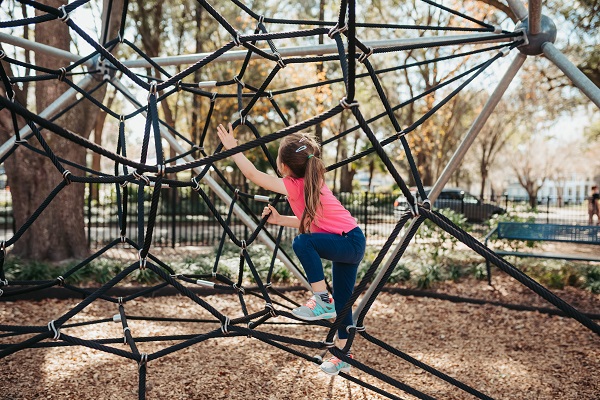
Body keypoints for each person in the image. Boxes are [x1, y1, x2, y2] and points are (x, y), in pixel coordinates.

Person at [216, 123, 366, 376]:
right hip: (349, 240)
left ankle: (321, 300)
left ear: (284, 166)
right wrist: (279, 220)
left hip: (348, 242)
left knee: (302, 242)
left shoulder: (297, 185)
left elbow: (253, 175)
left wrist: (234, 148)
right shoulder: (308, 183)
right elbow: (312, 222)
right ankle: (343, 356)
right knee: (344, 303)